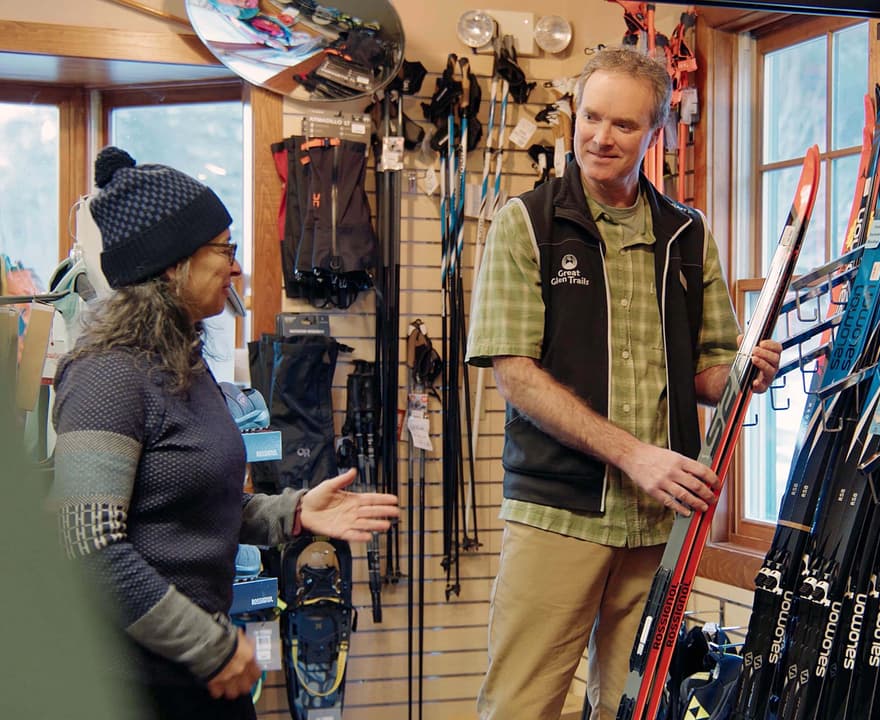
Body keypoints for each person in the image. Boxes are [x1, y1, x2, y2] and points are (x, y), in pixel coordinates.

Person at [466, 48, 782, 720]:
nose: (600, 137)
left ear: (655, 133)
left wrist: (744, 373)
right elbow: (517, 377)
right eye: (590, 117)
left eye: (624, 125)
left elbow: (707, 371)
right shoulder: (528, 225)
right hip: (561, 513)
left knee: (632, 706)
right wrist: (635, 455)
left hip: (658, 521)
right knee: (522, 706)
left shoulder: (687, 234)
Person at [49, 146, 400, 720]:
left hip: (195, 669)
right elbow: (89, 546)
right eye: (224, 251)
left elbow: (189, 507)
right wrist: (209, 647)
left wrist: (292, 513)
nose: (236, 269)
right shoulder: (107, 374)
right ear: (172, 265)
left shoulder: (179, 362)